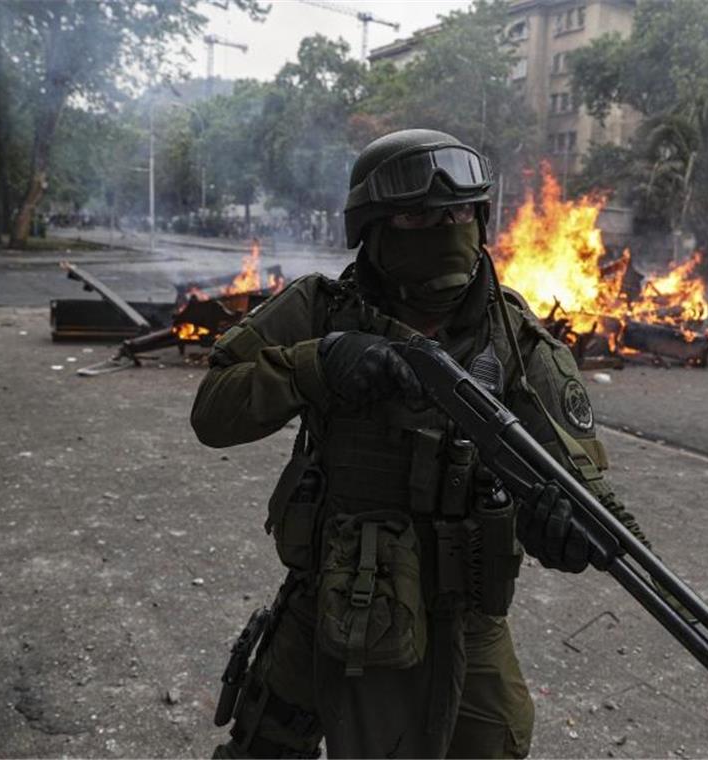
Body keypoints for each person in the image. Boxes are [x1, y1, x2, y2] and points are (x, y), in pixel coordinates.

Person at [191, 128, 655, 759]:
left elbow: (580, 484)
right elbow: (213, 413)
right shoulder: (324, 312)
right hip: (340, 592)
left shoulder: (511, 339)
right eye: (417, 215)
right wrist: (316, 364)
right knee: (266, 743)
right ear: (373, 229)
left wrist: (562, 530)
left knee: (495, 743)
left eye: (460, 212)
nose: (444, 228)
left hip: (467, 608)